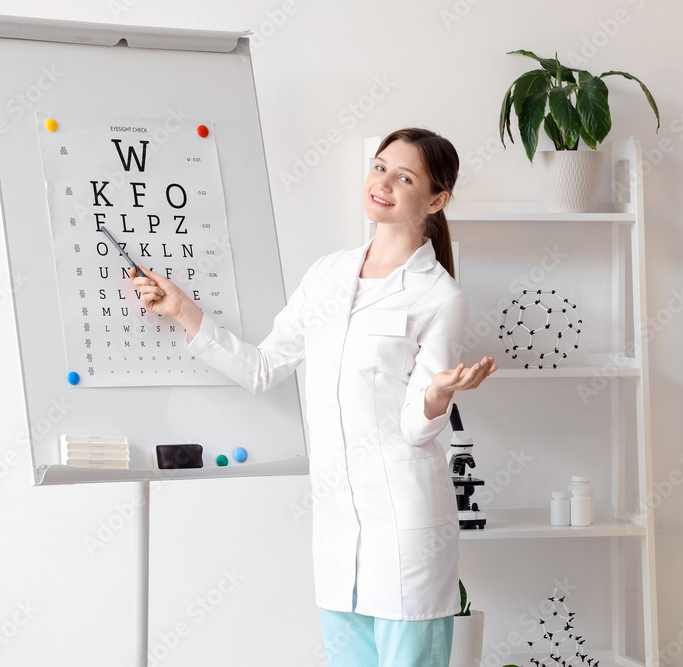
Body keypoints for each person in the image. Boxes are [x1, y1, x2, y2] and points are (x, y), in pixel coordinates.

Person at [130, 127, 496, 667]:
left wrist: (437, 395)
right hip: (337, 530)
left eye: (404, 178)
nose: (382, 184)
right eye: (379, 167)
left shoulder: (439, 296)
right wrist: (183, 310)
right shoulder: (328, 274)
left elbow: (416, 429)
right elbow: (263, 368)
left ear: (436, 201)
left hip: (403, 528)